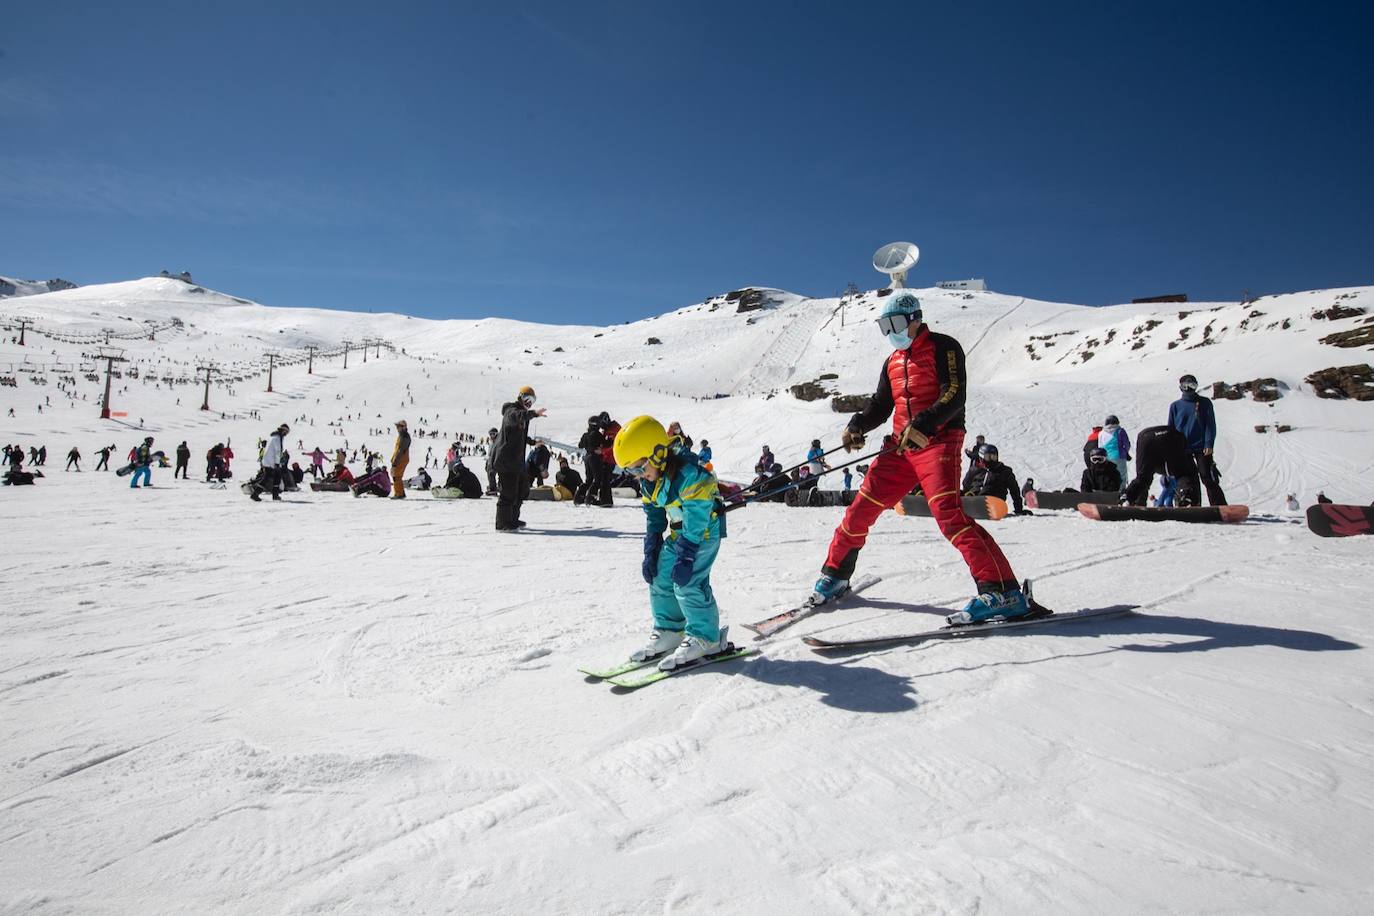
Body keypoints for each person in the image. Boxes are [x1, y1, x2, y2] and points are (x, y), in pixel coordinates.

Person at [812, 292, 1028, 624]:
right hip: (900, 446)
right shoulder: (893, 361)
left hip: (938, 441)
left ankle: (1004, 592)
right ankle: (836, 574)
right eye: (884, 326)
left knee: (948, 514)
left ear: (915, 318)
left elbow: (955, 394)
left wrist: (925, 423)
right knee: (861, 507)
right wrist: (857, 425)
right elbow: (882, 405)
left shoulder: (944, 347)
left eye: (895, 324)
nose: (890, 333)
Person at [615, 415, 728, 670]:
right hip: (679, 533)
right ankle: (669, 630)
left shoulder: (690, 475)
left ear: (657, 454)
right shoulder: (649, 482)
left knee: (687, 581)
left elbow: (697, 519)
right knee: (660, 576)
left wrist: (687, 554)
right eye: (630, 471)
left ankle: (706, 636)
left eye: (639, 467)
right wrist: (651, 547)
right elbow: (654, 517)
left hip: (703, 533)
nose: (637, 475)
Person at [1168, 374, 1228, 506]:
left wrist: (1209, 443)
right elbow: (1171, 429)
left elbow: (1210, 425)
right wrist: (1172, 449)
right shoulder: (1175, 406)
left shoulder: (1204, 403)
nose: (1189, 389)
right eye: (1185, 386)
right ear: (1181, 387)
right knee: (1190, 478)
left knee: (1207, 476)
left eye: (1192, 385)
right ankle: (1193, 505)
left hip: (1202, 447)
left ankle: (1219, 505)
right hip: (1183, 448)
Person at [493, 386, 545, 531]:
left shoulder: (523, 415)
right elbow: (517, 416)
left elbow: (519, 435)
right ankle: (502, 523)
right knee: (508, 492)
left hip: (516, 461)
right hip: (506, 460)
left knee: (522, 489)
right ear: (521, 396)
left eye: (532, 401)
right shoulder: (511, 411)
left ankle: (513, 519)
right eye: (528, 399)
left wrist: (533, 442)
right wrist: (533, 413)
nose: (529, 403)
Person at [1123, 426, 1200, 507]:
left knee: (1143, 478)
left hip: (1146, 438)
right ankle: (1186, 498)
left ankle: (1127, 498)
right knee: (1182, 474)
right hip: (1172, 436)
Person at [964, 443, 1030, 515]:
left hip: (994, 502)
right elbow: (966, 485)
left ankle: (975, 506)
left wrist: (1019, 509)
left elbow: (1014, 490)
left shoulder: (1004, 471)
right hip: (974, 500)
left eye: (994, 457)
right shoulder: (974, 470)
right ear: (981, 457)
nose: (992, 459)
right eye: (988, 457)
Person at [251, 424, 287, 501]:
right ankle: (255, 494)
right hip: (271, 462)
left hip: (269, 461)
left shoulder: (275, 437)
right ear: (283, 430)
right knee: (267, 478)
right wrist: (277, 463)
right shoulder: (277, 438)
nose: (286, 433)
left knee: (276, 477)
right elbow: (277, 451)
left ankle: (275, 495)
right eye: (286, 431)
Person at [576, 415, 605, 505]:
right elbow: (605, 443)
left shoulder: (585, 435)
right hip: (595, 458)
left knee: (589, 479)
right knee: (598, 479)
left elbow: (580, 445)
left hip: (587, 457)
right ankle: (590, 497)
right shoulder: (597, 434)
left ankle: (578, 497)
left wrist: (589, 447)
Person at [1097, 415, 1131, 490]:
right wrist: (1126, 452)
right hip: (1119, 456)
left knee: (1110, 475)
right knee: (1121, 475)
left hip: (1107, 458)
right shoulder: (1120, 431)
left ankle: (1111, 492)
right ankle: (1122, 492)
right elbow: (1126, 444)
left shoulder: (1101, 433)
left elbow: (1100, 447)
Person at [596, 412, 620, 506]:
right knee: (604, 479)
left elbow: (614, 446)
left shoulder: (613, 430)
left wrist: (602, 451)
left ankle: (606, 501)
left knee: (605, 479)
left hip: (610, 459)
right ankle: (604, 499)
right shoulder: (610, 429)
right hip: (607, 458)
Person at [391, 420, 411, 499]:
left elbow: (400, 451)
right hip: (400, 458)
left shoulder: (404, 436)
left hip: (401, 459)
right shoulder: (402, 435)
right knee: (397, 475)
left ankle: (399, 494)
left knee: (396, 475)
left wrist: (395, 463)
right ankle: (400, 493)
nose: (397, 428)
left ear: (403, 427)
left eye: (398, 426)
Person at [483, 427, 499, 495]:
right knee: (489, 472)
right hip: (490, 459)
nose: (491, 435)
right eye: (490, 434)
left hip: (495, 460)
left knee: (491, 473)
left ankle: (493, 489)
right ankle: (492, 486)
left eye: (493, 434)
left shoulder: (498, 441)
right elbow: (490, 452)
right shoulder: (491, 441)